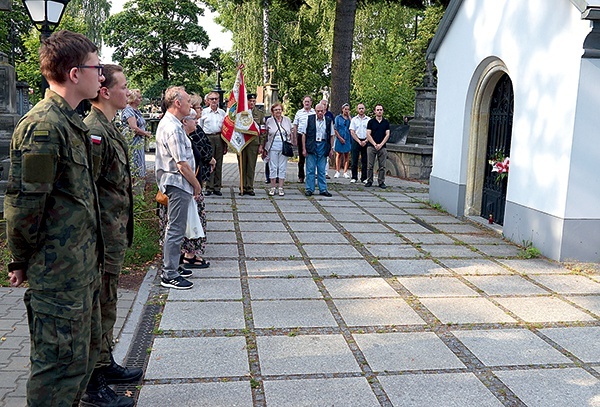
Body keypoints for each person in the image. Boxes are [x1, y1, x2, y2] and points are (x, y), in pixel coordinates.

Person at [4, 30, 104, 406]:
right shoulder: (44, 127)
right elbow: (24, 204)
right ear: (75, 73)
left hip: (79, 270)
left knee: (79, 362)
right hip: (57, 273)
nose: (103, 76)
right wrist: (19, 258)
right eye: (97, 67)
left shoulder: (70, 122)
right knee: (56, 369)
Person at [83, 64, 141, 407]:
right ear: (106, 91)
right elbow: (87, 190)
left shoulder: (110, 127)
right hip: (101, 238)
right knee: (99, 308)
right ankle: (94, 383)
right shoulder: (94, 130)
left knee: (109, 303)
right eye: (123, 86)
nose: (127, 91)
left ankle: (105, 363)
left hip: (114, 235)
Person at [155, 86, 201, 289]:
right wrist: (196, 184)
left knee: (177, 227)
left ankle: (172, 265)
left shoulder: (171, 123)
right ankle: (169, 274)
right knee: (175, 228)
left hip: (176, 183)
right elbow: (181, 164)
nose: (191, 105)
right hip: (177, 183)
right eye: (188, 101)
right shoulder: (173, 128)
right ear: (177, 103)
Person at [180, 104, 214, 268]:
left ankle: (187, 254)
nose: (196, 122)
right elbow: (183, 165)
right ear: (185, 121)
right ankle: (189, 256)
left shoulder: (188, 136)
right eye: (194, 119)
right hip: (189, 186)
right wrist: (196, 186)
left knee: (192, 220)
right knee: (192, 221)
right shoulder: (183, 137)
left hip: (192, 184)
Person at [303, 103, 334, 197]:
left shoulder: (329, 121)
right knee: (310, 169)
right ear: (315, 111)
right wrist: (304, 148)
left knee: (321, 169)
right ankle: (309, 189)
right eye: (318, 111)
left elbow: (332, 135)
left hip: (323, 145)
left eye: (322, 111)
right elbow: (304, 134)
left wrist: (331, 149)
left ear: (325, 111)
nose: (320, 113)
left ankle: (323, 189)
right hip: (312, 145)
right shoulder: (309, 119)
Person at [237, 93, 265, 196]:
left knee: (251, 165)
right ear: (246, 101)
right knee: (242, 164)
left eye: (254, 101)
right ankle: (242, 186)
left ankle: (249, 187)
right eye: (250, 101)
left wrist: (261, 145)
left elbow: (262, 130)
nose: (252, 103)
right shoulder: (241, 112)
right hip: (242, 141)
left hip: (253, 142)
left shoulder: (260, 113)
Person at [121, 88, 151, 183]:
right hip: (132, 142)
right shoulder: (128, 110)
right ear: (133, 99)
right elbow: (134, 128)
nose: (141, 99)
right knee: (134, 166)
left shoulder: (136, 111)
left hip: (138, 142)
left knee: (138, 166)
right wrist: (146, 133)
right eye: (139, 97)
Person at [264, 102, 294, 196]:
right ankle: (273, 187)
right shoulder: (269, 120)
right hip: (272, 147)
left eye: (279, 109)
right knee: (273, 167)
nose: (278, 111)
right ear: (272, 111)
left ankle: (280, 187)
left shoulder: (287, 120)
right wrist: (264, 148)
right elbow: (265, 134)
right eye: (276, 110)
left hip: (284, 147)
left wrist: (292, 142)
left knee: (282, 167)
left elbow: (291, 132)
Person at [201, 91, 226, 196]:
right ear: (207, 101)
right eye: (212, 99)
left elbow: (225, 128)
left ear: (219, 100)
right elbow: (200, 127)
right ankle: (209, 187)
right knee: (209, 162)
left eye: (216, 99)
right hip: (208, 137)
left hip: (219, 137)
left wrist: (225, 144)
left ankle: (217, 186)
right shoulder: (204, 112)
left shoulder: (222, 113)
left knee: (219, 162)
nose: (214, 101)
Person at [365, 103, 391, 189]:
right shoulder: (371, 122)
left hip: (382, 147)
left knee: (382, 166)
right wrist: (375, 144)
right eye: (378, 110)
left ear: (383, 111)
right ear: (375, 111)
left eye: (381, 110)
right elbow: (368, 134)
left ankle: (381, 181)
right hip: (371, 146)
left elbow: (387, 134)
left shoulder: (386, 122)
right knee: (370, 165)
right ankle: (369, 180)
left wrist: (381, 144)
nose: (379, 111)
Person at [292, 96, 315, 183]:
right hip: (301, 135)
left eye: (308, 101)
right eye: (305, 101)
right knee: (301, 157)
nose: (307, 103)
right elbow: (295, 125)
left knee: (311, 156)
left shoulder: (314, 112)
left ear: (311, 103)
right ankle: (301, 176)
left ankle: (311, 176)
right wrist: (294, 138)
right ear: (303, 102)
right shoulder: (299, 112)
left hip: (311, 137)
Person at [349, 103, 370, 183]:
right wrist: (358, 141)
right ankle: (354, 177)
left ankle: (364, 178)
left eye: (362, 108)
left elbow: (370, 132)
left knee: (365, 160)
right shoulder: (354, 119)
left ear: (365, 109)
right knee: (354, 160)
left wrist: (365, 141)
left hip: (366, 140)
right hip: (356, 140)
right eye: (359, 108)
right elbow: (352, 131)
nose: (361, 110)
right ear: (357, 110)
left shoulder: (368, 119)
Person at [333, 103, 352, 179]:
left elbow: (353, 125)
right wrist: (339, 137)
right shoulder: (338, 118)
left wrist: (349, 116)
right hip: (339, 137)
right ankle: (337, 171)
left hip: (347, 138)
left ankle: (345, 172)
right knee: (339, 154)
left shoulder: (350, 119)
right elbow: (335, 128)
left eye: (348, 109)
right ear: (342, 109)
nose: (346, 111)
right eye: (345, 109)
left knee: (347, 155)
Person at [320, 98, 334, 179]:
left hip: (327, 137)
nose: (323, 106)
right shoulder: (316, 114)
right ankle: (316, 172)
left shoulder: (329, 115)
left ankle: (325, 172)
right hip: (318, 138)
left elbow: (332, 125)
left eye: (325, 104)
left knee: (326, 156)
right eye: (322, 104)